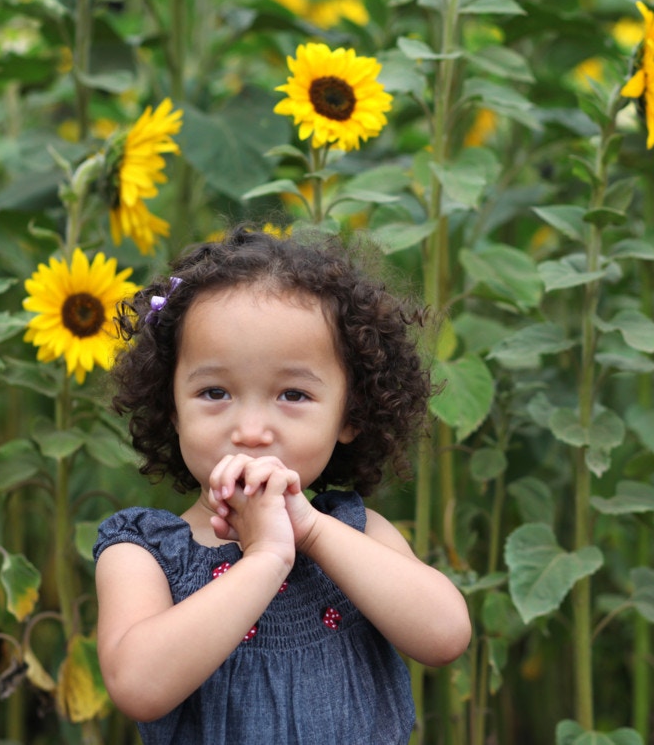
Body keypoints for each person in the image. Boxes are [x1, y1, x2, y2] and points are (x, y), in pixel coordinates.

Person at [92, 224, 471, 744]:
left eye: (292, 395)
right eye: (214, 391)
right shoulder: (144, 555)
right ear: (171, 407)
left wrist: (309, 531)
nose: (250, 431)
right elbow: (138, 686)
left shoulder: (357, 533)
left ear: (349, 415)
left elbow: (446, 636)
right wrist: (265, 559)